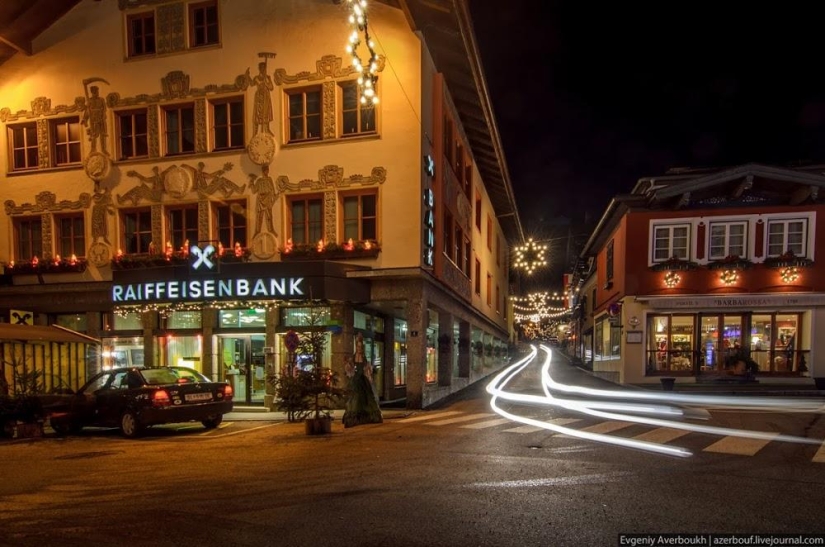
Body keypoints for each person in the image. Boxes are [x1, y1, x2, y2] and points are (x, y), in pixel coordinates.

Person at [342, 332, 383, 428]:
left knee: (367, 399)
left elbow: (367, 369)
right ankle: (353, 418)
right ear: (356, 347)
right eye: (358, 347)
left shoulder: (364, 359)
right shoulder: (353, 358)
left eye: (361, 347)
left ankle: (366, 417)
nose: (359, 349)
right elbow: (349, 369)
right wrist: (348, 366)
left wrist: (369, 372)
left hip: (363, 382)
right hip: (356, 381)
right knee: (355, 399)